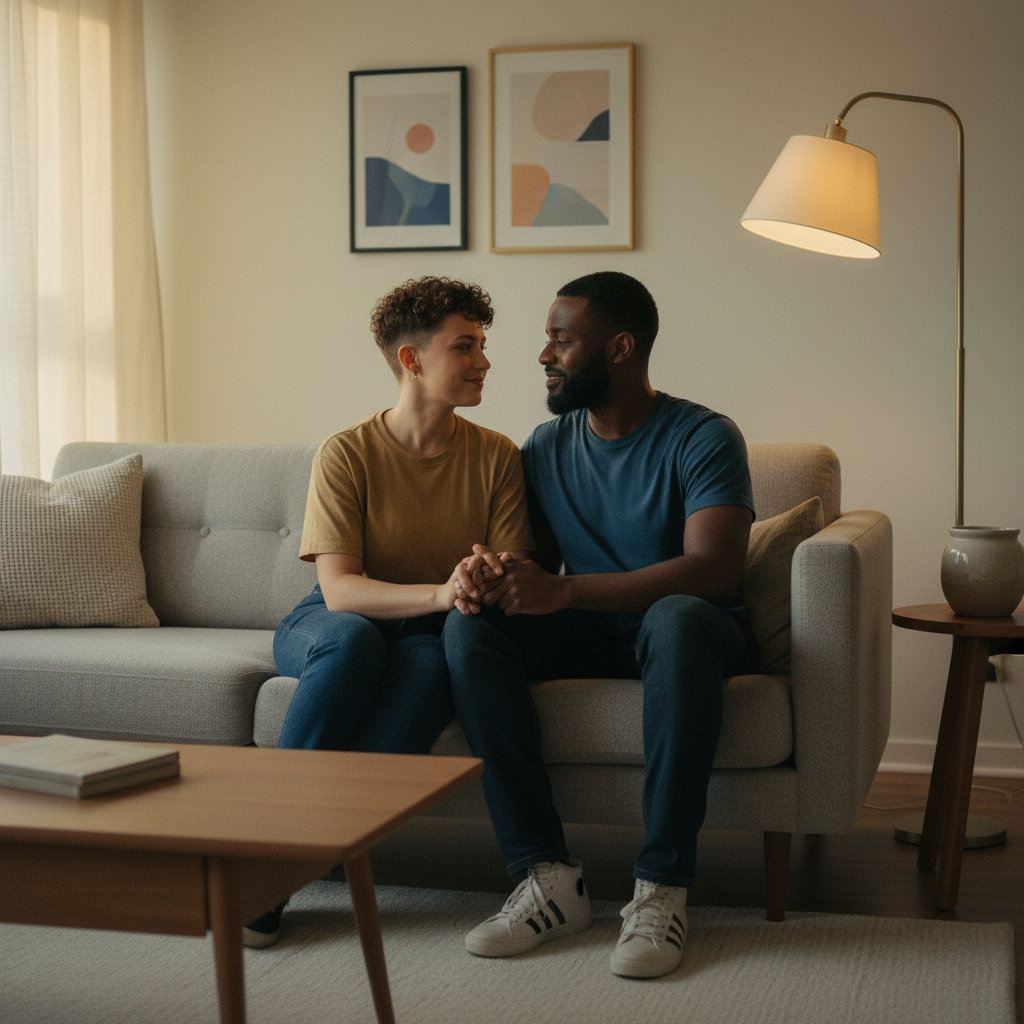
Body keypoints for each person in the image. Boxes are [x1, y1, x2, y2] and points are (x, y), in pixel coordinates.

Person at [443, 271, 758, 979]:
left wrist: (565, 591)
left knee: (677, 618)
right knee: (471, 628)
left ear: (619, 348)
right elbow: (533, 567)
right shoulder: (546, 447)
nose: (543, 355)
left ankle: (661, 889)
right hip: (589, 629)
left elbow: (715, 570)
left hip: (690, 638)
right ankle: (546, 876)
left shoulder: (703, 436)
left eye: (561, 339)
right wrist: (488, 577)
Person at [244, 276, 533, 948]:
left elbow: (511, 569)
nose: (484, 361)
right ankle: (271, 852)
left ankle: (291, 864)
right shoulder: (347, 453)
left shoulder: (496, 456)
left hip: (425, 633)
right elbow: (342, 591)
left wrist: (481, 578)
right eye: (466, 346)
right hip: (329, 621)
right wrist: (441, 592)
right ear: (411, 358)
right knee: (352, 642)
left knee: (434, 667)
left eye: (484, 345)